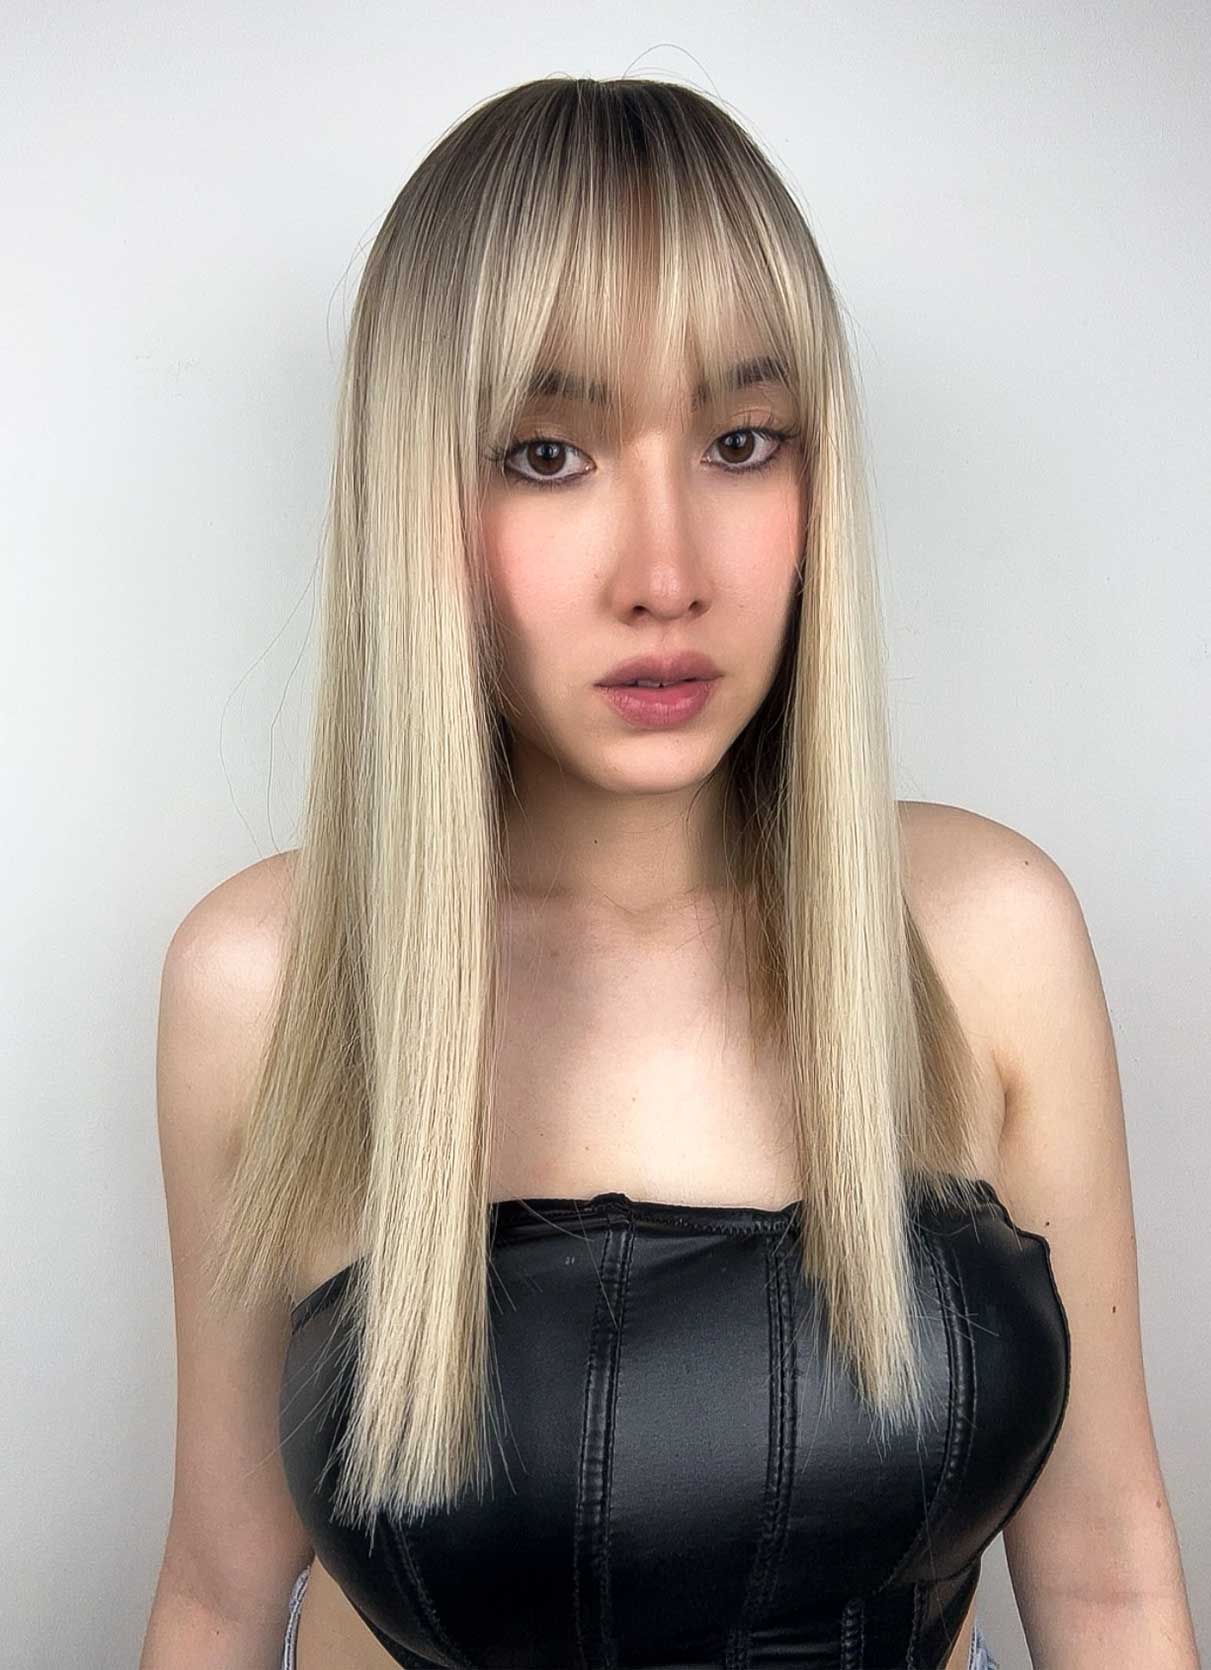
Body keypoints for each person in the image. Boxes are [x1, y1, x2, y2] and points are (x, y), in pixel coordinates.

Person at [140, 74, 1198, 1670]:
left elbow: (1109, 1577)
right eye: (547, 453)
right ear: (415, 495)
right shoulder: (268, 987)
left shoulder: (984, 941)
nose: (664, 573)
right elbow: (223, 1592)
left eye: (740, 441)